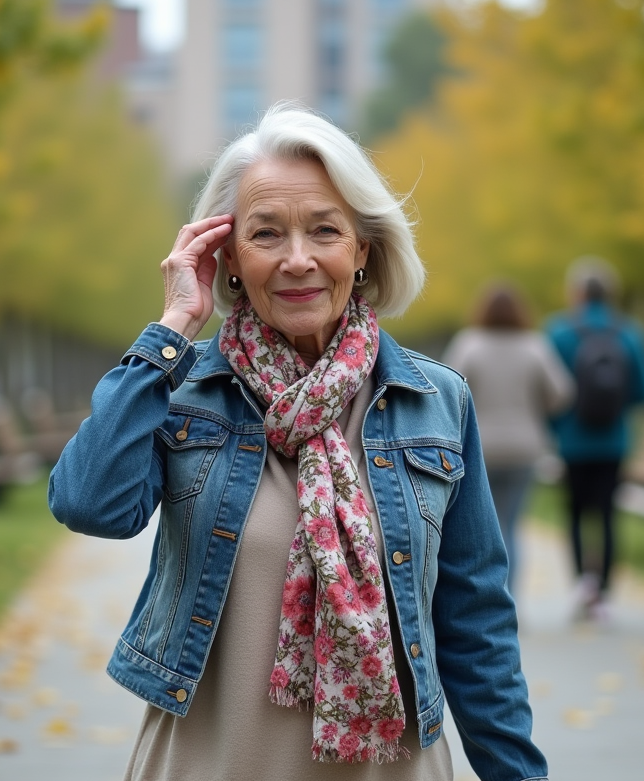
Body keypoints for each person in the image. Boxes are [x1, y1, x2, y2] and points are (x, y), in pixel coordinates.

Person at [48, 103, 548, 781]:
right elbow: (87, 503)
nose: (298, 259)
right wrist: (171, 327)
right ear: (227, 256)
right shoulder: (182, 391)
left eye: (324, 230)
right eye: (266, 234)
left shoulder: (436, 402)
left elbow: (476, 624)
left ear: (362, 249)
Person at [443, 283, 574, 597]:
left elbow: (446, 391)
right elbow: (563, 393)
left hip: (479, 449)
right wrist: (536, 407)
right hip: (525, 449)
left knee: (480, 528)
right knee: (512, 525)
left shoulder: (470, 344)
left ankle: (484, 599)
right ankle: (510, 599)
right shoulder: (534, 346)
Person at [545, 257, 644, 622]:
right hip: (614, 441)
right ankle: (605, 593)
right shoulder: (629, 333)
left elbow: (547, 390)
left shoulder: (559, 332)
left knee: (575, 512)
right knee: (608, 515)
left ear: (577, 293)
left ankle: (583, 584)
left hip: (572, 441)